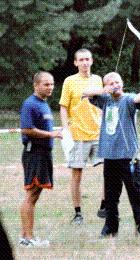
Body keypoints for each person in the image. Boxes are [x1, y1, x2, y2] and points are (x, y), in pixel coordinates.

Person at [83, 67, 140, 237]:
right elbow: (84, 93)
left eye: (117, 82)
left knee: (136, 193)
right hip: (110, 155)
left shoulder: (128, 99)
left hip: (128, 156)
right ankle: (110, 228)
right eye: (111, 83)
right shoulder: (105, 99)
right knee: (110, 195)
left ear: (122, 84)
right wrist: (104, 90)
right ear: (106, 86)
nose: (115, 85)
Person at [59, 48, 105, 225]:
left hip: (98, 134)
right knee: (77, 174)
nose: (85, 62)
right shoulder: (69, 81)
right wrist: (66, 129)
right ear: (75, 63)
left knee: (109, 170)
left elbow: (102, 103)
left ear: (92, 61)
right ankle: (78, 213)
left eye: (88, 59)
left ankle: (104, 206)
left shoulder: (97, 80)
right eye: (81, 60)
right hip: (78, 135)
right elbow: (63, 106)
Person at [19, 72, 62, 247]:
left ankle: (25, 237)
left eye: (51, 84)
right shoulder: (30, 104)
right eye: (46, 84)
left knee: (34, 196)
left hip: (44, 154)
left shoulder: (43, 104)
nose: (50, 87)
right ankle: (28, 239)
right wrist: (51, 134)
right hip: (34, 153)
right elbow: (27, 129)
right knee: (31, 194)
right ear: (36, 85)